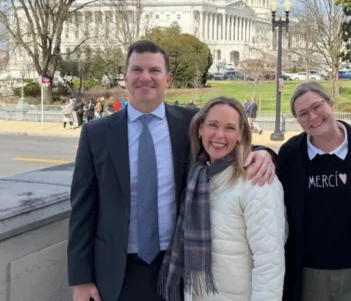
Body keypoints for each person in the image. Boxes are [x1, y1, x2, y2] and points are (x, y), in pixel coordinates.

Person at [68, 40, 278, 301]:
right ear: (125, 77)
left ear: (167, 78)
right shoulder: (96, 133)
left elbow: (224, 140)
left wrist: (264, 153)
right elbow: (82, 210)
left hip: (177, 264)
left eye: (154, 70)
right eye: (137, 70)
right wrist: (80, 278)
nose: (146, 77)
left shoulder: (189, 123)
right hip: (116, 269)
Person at [160, 96, 286, 301]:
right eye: (213, 125)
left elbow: (269, 263)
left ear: (240, 134)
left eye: (229, 128)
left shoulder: (257, 179)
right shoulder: (197, 175)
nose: (220, 135)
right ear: (200, 129)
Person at [277, 82, 351, 301]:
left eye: (317, 107)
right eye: (303, 114)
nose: (312, 117)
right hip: (309, 271)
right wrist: (263, 151)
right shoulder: (290, 155)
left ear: (330, 103)